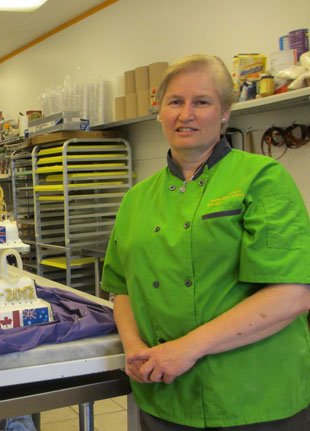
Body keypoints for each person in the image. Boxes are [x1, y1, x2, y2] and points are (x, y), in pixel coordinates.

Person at [101, 54, 310, 430]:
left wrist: (186, 348)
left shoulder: (263, 178)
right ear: (159, 111)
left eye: (202, 102)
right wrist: (134, 348)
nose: (187, 114)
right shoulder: (136, 199)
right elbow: (121, 289)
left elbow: (292, 295)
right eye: (175, 102)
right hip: (164, 393)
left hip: (254, 396)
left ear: (225, 112)